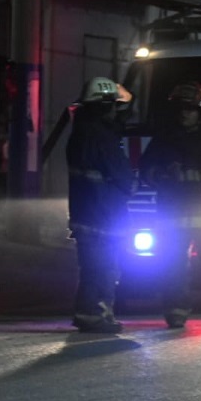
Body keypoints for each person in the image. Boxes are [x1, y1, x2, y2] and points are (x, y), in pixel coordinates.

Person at [138, 82, 201, 329]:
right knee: (172, 265)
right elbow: (146, 172)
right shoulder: (163, 140)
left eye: (189, 109)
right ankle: (176, 311)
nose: (183, 113)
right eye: (180, 108)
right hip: (172, 215)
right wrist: (162, 174)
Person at [66, 76, 136, 334]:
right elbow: (124, 178)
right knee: (105, 267)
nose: (117, 112)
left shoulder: (80, 133)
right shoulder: (102, 137)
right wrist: (133, 185)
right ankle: (97, 315)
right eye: (114, 106)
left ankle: (88, 313)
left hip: (85, 213)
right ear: (104, 106)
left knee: (91, 266)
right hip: (105, 214)